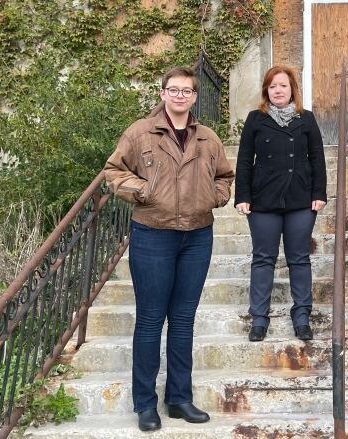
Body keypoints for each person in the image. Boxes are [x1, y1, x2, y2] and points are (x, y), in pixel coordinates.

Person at [104, 67, 234, 432]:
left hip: (197, 236)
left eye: (187, 91)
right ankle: (145, 404)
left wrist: (215, 196)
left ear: (194, 97)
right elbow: (114, 172)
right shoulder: (139, 133)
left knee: (183, 320)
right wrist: (144, 192)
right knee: (149, 319)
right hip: (153, 234)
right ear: (162, 94)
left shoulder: (208, 138)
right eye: (173, 90)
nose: (180, 96)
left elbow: (225, 176)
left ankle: (179, 398)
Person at [234, 65, 327, 343]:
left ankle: (301, 317)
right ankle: (259, 319)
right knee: (263, 258)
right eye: (273, 86)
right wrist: (243, 196)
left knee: (299, 257)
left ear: (292, 90)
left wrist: (319, 193)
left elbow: (317, 159)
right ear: (266, 90)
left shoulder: (306, 119)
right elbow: (244, 161)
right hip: (263, 200)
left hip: (300, 198)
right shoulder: (255, 119)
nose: (278, 90)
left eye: (283, 85)